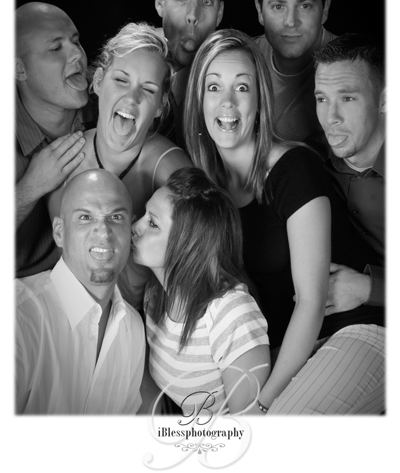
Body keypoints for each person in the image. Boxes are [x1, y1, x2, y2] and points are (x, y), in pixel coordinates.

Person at [184, 28, 384, 414]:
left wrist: (262, 403)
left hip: (356, 328)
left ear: (260, 100)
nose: (227, 102)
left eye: (242, 88)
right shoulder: (205, 189)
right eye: (214, 87)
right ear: (198, 99)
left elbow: (311, 301)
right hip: (286, 349)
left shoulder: (295, 168)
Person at [47, 21, 191, 309]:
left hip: (141, 324)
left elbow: (203, 258)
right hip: (64, 316)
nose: (132, 97)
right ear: (98, 81)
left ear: (161, 104)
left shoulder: (170, 168)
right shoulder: (62, 158)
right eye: (122, 80)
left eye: (148, 89)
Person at [131, 167, 270, 415]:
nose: (135, 226)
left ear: (188, 245)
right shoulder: (154, 296)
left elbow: (248, 424)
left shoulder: (232, 313)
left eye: (152, 223)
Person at [16, 169, 145, 414]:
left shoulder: (134, 329)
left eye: (116, 217)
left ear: (130, 230)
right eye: (85, 217)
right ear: (59, 232)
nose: (103, 232)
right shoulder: (18, 315)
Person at [16, 2, 91, 278]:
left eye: (76, 42)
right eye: (56, 48)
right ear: (19, 69)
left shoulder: (106, 99)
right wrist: (30, 187)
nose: (77, 55)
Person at [314, 33, 385, 315]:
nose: (331, 117)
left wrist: (367, 287)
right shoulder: (313, 160)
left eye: (347, 98)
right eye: (322, 98)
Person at [254, 0, 335, 154]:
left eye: (305, 6)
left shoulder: (357, 68)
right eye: (278, 6)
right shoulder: (243, 59)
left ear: (325, 9)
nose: (291, 21)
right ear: (260, 11)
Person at [154, 0, 225, 149]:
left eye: (207, 1)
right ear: (160, 2)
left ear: (219, 13)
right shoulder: (126, 59)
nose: (193, 15)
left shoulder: (232, 75)